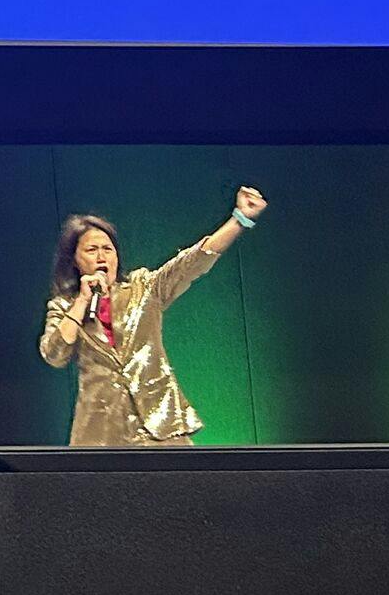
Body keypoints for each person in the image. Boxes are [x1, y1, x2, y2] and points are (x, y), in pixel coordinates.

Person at [38, 186, 268, 445]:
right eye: (92, 250)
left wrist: (240, 219)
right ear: (75, 261)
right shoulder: (64, 307)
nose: (102, 256)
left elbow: (191, 263)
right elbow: (54, 355)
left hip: (161, 426)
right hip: (101, 435)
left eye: (108, 249)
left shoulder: (143, 288)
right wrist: (81, 302)